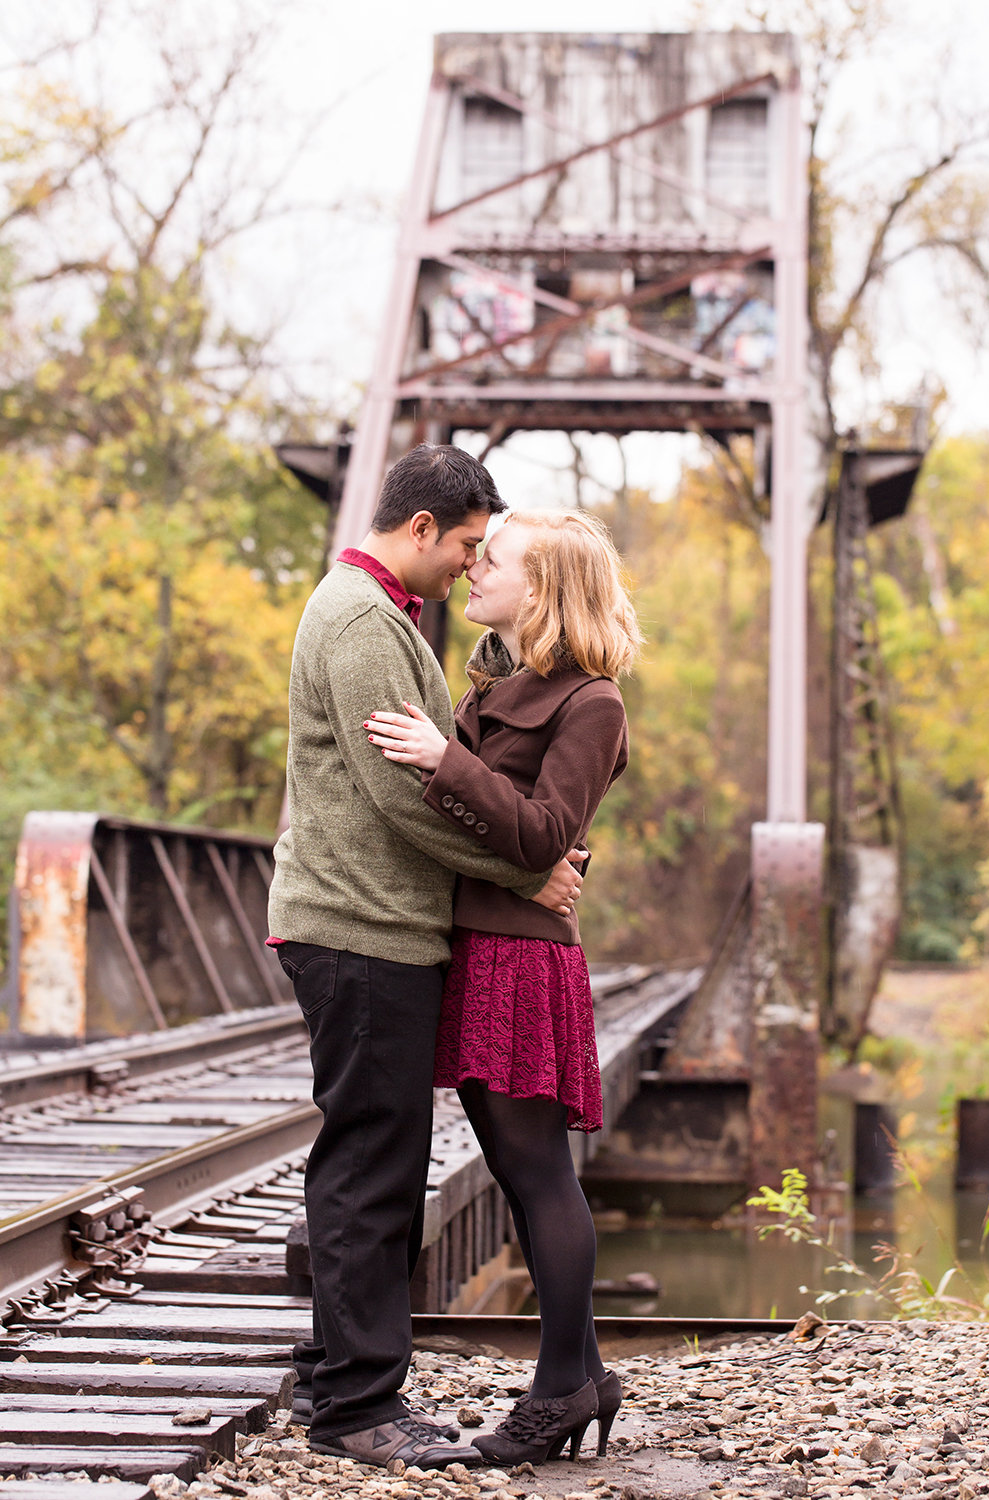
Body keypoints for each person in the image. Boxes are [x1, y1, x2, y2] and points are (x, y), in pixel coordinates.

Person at [267, 446, 584, 1471]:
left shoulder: (377, 612)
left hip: (375, 926)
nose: (467, 563)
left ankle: (339, 1375)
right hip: (359, 927)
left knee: (365, 1159)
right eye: (464, 544)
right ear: (420, 529)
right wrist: (528, 875)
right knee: (374, 1168)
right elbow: (400, 797)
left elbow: (451, 777)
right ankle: (361, 1406)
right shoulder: (362, 621)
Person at [365, 508, 642, 1466]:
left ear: (547, 586)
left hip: (520, 958)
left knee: (536, 1176)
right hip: (481, 946)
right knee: (526, 1177)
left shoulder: (591, 701)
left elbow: (538, 832)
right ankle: (587, 1374)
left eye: (498, 558)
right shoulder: (502, 682)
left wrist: (446, 760)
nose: (476, 566)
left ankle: (560, 1387)